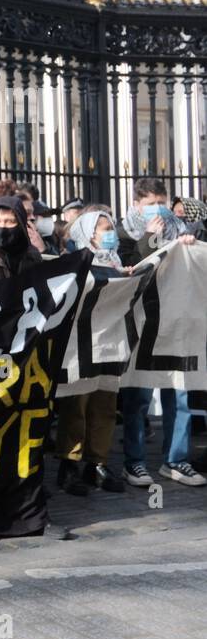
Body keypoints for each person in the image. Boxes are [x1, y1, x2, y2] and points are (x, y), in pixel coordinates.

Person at [115, 177, 204, 489]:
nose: (158, 210)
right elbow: (127, 269)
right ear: (137, 204)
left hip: (176, 322)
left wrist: (190, 246)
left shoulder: (182, 232)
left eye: (162, 203)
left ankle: (176, 459)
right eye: (151, 203)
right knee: (139, 395)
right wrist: (149, 239)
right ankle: (134, 461)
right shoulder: (124, 233)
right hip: (141, 322)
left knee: (179, 392)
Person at [53, 208, 130, 496]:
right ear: (88, 232)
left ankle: (97, 461)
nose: (108, 233)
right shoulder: (73, 260)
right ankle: (69, 463)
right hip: (82, 341)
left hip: (109, 340)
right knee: (78, 403)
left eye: (110, 227)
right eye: (102, 228)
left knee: (106, 403)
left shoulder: (116, 260)